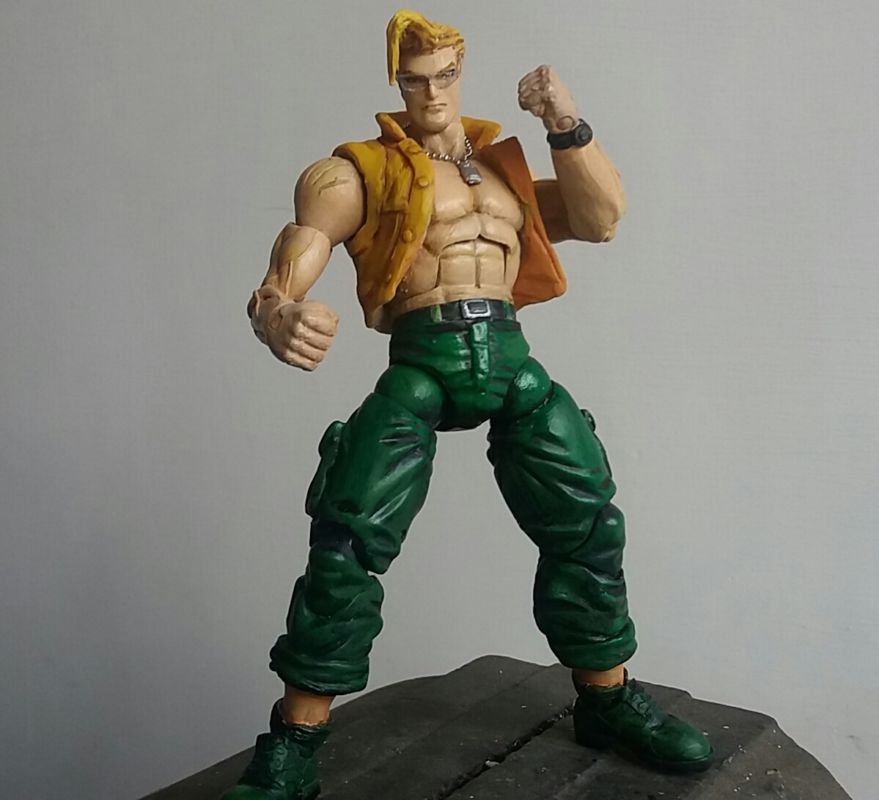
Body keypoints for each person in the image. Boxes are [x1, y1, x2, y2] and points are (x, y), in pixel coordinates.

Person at [224, 10, 712, 799]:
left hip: (512, 362)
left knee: (588, 521)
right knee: (346, 540)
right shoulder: (356, 173)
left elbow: (600, 218)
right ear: (397, 82)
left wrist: (564, 123)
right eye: (414, 80)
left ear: (462, 73)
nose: (431, 93)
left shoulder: (502, 172)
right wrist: (277, 309)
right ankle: (294, 742)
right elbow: (300, 247)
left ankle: (606, 697)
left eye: (444, 76)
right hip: (424, 363)